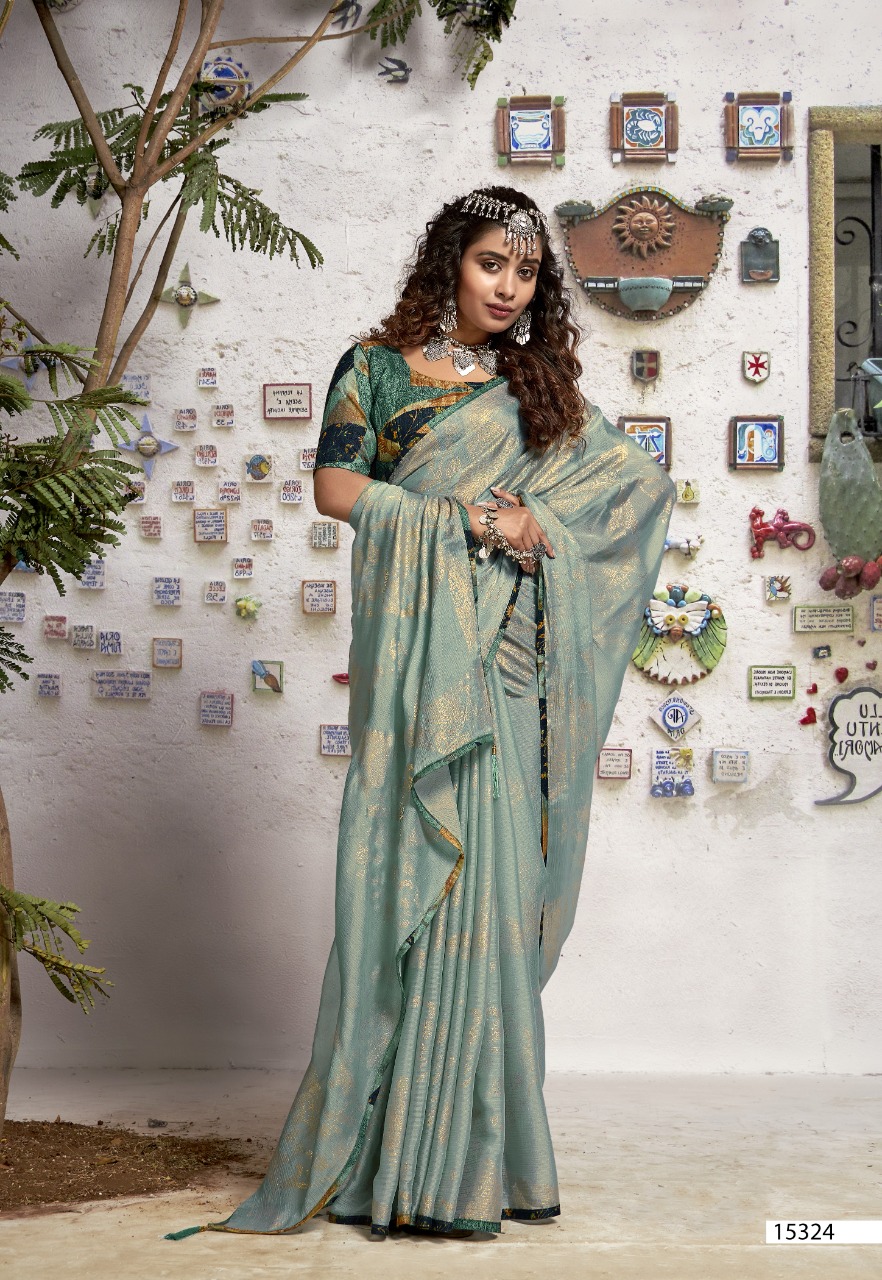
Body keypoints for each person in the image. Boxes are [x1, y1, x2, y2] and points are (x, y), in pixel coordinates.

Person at [166, 186, 674, 1244]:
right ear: (450, 263)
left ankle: (476, 1160)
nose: (509, 287)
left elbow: (634, 494)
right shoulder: (377, 368)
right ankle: (389, 1157)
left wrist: (537, 525)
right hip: (418, 670)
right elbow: (336, 489)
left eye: (527, 273)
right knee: (412, 876)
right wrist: (456, 520)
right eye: (493, 263)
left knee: (495, 898)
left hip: (508, 666)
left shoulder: (538, 386)